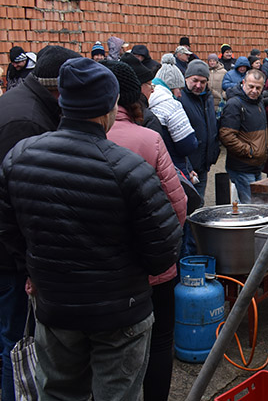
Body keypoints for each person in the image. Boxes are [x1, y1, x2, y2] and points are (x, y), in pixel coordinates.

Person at [0, 57, 181, 401]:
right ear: (109, 106)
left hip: (55, 308)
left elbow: (8, 229)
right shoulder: (129, 169)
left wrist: (34, 267)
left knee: (59, 393)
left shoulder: (20, 157)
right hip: (119, 313)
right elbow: (163, 251)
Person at [0, 44, 81, 401]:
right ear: (59, 88)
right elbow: (19, 203)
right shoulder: (27, 121)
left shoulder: (27, 104)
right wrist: (28, 265)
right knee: (16, 342)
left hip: (12, 252)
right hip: (10, 258)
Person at [102, 60, 186, 401]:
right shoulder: (148, 139)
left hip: (100, 272)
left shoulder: (67, 138)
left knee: (107, 348)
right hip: (154, 268)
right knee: (161, 340)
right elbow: (177, 206)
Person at [218, 69, 268, 203]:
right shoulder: (235, 104)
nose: (254, 91)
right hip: (242, 167)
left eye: (258, 88)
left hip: (256, 166)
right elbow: (226, 136)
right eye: (251, 86)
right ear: (243, 83)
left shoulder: (259, 102)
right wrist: (249, 151)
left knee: (258, 205)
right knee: (251, 207)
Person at [178, 60, 219, 197]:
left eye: (203, 82)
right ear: (186, 78)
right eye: (194, 80)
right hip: (187, 165)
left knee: (199, 202)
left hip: (203, 163)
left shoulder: (208, 97)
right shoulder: (180, 99)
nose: (198, 85)